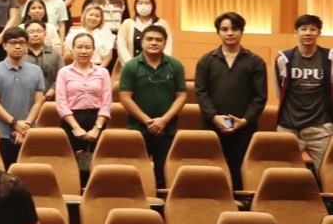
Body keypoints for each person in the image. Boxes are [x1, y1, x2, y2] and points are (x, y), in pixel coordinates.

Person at [194, 11, 269, 189]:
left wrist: (244, 121)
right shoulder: (206, 60)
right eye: (224, 29)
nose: (230, 33)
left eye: (234, 29)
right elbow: (201, 92)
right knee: (211, 172)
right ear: (218, 32)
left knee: (239, 172)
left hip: (244, 128)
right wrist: (214, 117)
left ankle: (238, 204)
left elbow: (260, 97)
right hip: (212, 126)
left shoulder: (255, 62)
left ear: (241, 31)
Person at [118, 26, 189, 189]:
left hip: (167, 129)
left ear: (165, 43)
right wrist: (148, 122)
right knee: (136, 174)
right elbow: (124, 98)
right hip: (138, 129)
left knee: (164, 175)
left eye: (158, 40)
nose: (154, 43)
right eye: (149, 39)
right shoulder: (131, 66)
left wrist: (163, 121)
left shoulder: (175, 65)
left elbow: (182, 96)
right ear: (142, 42)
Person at [275, 14, 333, 179]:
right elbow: (279, 92)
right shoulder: (284, 59)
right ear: (296, 33)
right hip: (288, 128)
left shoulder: (329, 58)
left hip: (320, 128)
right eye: (303, 29)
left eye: (313, 29)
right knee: (284, 177)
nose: (308, 33)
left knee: (328, 176)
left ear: (319, 33)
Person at [0, 27, 46, 168]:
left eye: (22, 43)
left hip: (28, 133)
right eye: (13, 43)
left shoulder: (36, 71)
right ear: (4, 45)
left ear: (26, 45)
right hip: (1, 133)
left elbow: (38, 102)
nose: (17, 46)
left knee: (26, 174)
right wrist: (15, 123)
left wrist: (24, 126)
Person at [56, 31, 113, 173]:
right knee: (71, 166)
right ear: (72, 50)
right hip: (71, 121)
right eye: (79, 47)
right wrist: (76, 128)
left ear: (93, 50)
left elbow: (106, 102)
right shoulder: (64, 72)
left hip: (97, 120)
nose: (83, 51)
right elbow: (61, 103)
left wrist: (97, 128)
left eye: (88, 47)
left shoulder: (103, 72)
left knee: (96, 166)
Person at [115, 0, 173, 68]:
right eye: (140, 3)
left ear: (153, 6)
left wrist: (159, 65)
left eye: (147, 3)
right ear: (135, 6)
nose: (143, 6)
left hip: (156, 67)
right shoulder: (127, 24)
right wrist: (131, 66)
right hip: (132, 68)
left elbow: (168, 46)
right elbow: (121, 47)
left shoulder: (162, 23)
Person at [22, 18, 64, 89]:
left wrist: (50, 93)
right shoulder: (20, 54)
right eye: (31, 32)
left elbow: (62, 77)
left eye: (39, 31)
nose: (35, 34)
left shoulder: (55, 54)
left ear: (45, 34)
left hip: (51, 94)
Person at [76, 3, 117, 72]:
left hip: (100, 69)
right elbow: (70, 56)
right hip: (78, 69)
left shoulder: (106, 34)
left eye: (97, 16)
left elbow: (109, 56)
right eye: (91, 15)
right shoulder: (75, 33)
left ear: (101, 19)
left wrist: (98, 70)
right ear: (85, 15)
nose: (93, 18)